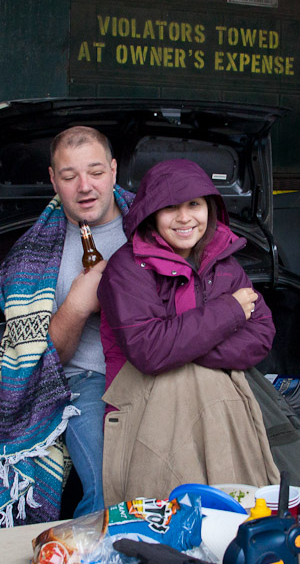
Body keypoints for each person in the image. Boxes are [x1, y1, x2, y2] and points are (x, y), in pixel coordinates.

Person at [0, 126, 133, 529]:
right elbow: (44, 360)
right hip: (87, 380)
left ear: (113, 170)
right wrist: (75, 305)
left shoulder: (155, 224)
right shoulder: (31, 260)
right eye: (70, 176)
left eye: (94, 172)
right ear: (54, 181)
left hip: (154, 366)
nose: (85, 186)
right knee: (110, 487)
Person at [97, 158, 285, 501]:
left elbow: (260, 336)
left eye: (194, 205)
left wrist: (180, 342)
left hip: (219, 398)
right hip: (146, 398)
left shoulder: (225, 262)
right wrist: (227, 313)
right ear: (152, 213)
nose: (185, 218)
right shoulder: (126, 269)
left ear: (210, 207)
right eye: (170, 207)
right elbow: (149, 351)